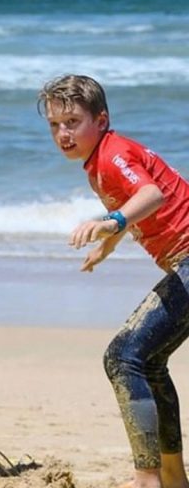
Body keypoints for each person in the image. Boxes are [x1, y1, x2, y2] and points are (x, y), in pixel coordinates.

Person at [39, 74, 189, 488]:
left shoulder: (112, 154)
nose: (62, 133)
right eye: (54, 125)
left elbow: (152, 195)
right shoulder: (100, 160)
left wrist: (111, 221)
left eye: (72, 122)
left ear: (101, 120)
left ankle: (147, 478)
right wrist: (108, 244)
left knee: (123, 357)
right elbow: (134, 200)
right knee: (148, 361)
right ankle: (172, 477)